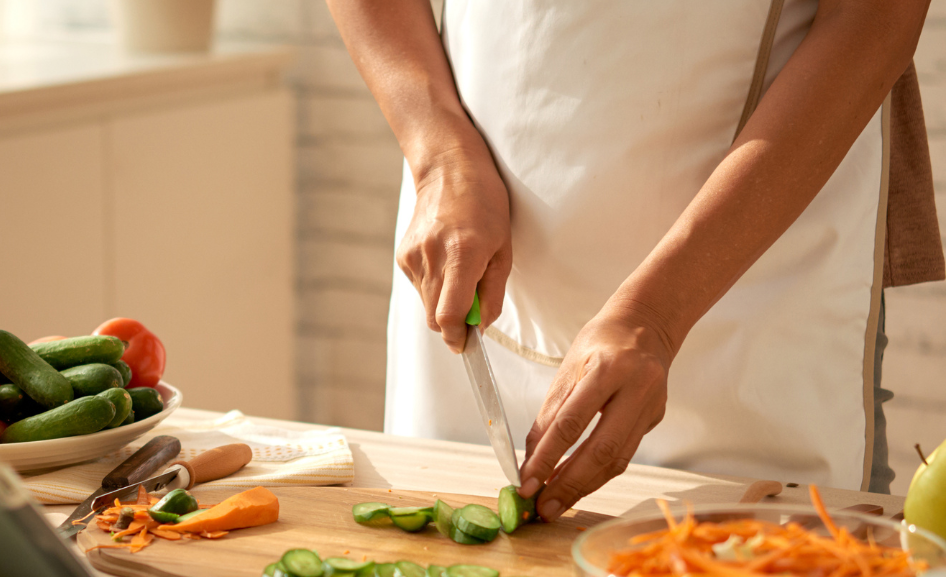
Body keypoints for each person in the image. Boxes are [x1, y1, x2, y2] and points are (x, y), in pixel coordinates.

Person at [328, 0, 945, 520]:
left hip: (753, 295)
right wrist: (437, 151)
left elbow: (878, 15)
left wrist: (658, 312)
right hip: (467, 234)